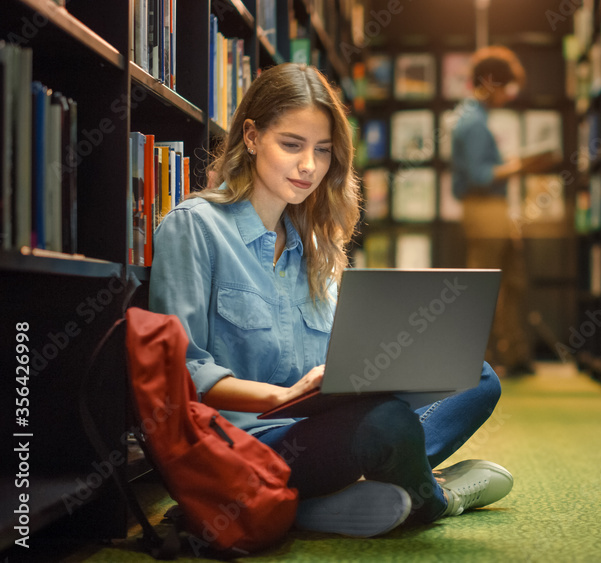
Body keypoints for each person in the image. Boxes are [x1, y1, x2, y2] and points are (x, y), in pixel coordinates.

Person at [149, 62, 512, 539]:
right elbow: (184, 375)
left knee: (476, 377)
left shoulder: (317, 246)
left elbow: (338, 366)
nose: (309, 167)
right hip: (243, 448)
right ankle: (437, 499)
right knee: (387, 425)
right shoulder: (194, 227)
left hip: (321, 430)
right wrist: (282, 396)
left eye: (322, 151)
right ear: (253, 136)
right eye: (292, 145)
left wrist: (384, 367)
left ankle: (312, 501)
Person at [450, 46, 560, 376]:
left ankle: (512, 355)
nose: (509, 94)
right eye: (506, 86)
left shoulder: (474, 119)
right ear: (489, 82)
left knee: (511, 282)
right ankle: (479, 361)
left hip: (493, 210)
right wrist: (524, 166)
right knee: (487, 286)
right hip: (485, 209)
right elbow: (481, 176)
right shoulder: (472, 123)